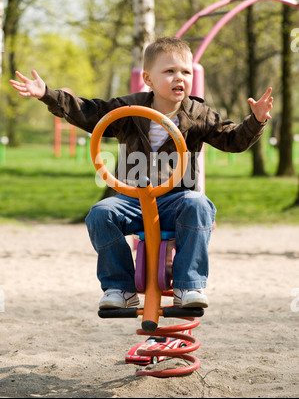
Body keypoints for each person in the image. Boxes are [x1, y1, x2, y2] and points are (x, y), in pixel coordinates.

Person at [10, 37, 273, 310]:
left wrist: (256, 120)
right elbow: (90, 112)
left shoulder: (198, 114)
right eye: (169, 71)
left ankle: (188, 285)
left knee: (200, 204)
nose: (179, 77)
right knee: (101, 213)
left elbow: (233, 140)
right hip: (133, 198)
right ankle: (120, 288)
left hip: (176, 199)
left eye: (185, 71)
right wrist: (47, 94)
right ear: (148, 78)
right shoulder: (129, 108)